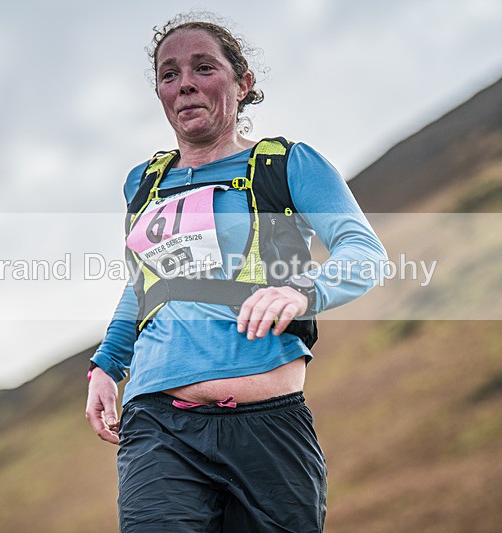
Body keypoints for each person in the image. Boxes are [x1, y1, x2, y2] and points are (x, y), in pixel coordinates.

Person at [85, 13, 387, 533]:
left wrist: (303, 291)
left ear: (242, 83)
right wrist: (106, 367)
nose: (185, 84)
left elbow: (364, 252)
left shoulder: (286, 164)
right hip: (158, 425)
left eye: (203, 68)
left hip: (269, 425)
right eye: (169, 74)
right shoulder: (143, 183)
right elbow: (146, 285)